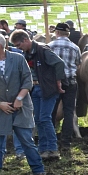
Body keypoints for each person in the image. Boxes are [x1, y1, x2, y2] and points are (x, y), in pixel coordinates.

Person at [10, 30, 65, 162]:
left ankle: (52, 148)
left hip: (47, 88)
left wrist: (58, 82)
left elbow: (59, 63)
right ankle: (43, 149)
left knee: (45, 118)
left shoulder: (42, 50)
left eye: (18, 45)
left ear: (25, 40)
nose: (18, 48)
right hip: (35, 89)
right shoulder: (27, 54)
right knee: (39, 120)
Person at [0, 40, 48, 175]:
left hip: (21, 108)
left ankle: (38, 171)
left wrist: (20, 98)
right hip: (2, 109)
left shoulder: (18, 59)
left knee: (27, 141)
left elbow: (27, 79)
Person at [49, 23, 82, 150]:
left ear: (56, 33)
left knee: (51, 111)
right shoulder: (75, 47)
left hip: (53, 82)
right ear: (68, 34)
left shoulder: (50, 46)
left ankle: (52, 140)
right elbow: (78, 65)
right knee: (69, 111)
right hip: (71, 82)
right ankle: (66, 142)